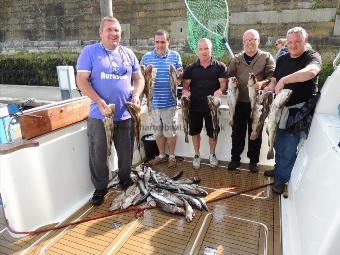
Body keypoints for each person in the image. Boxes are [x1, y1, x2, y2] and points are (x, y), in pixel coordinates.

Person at [76, 16, 144, 206]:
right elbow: (81, 80)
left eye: (117, 31)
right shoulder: (90, 52)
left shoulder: (128, 54)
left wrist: (137, 96)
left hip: (125, 114)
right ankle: (100, 188)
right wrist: (98, 101)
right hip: (100, 115)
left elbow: (139, 79)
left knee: (125, 153)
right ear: (101, 32)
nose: (114, 34)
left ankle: (124, 179)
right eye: (110, 30)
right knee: (99, 154)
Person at [265, 27, 321, 194]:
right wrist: (269, 88)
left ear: (305, 40)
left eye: (297, 41)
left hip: (298, 112)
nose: (293, 45)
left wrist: (285, 79)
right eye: (290, 42)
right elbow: (274, 80)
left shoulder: (312, 57)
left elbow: (311, 72)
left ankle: (282, 179)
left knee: (289, 146)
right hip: (279, 108)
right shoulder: (282, 58)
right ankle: (278, 169)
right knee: (275, 141)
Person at [227, 29, 275, 172]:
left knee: (256, 132)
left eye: (252, 40)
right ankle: (235, 158)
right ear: (243, 43)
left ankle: (253, 161)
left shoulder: (266, 57)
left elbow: (272, 77)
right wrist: (231, 79)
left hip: (258, 104)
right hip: (239, 102)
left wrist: (262, 84)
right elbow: (229, 74)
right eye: (246, 40)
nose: (249, 43)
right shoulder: (236, 59)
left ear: (258, 41)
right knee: (237, 132)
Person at [182, 38, 227, 169]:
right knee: (195, 132)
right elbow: (185, 87)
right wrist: (185, 93)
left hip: (212, 107)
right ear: (197, 51)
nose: (203, 52)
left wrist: (220, 90)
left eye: (206, 48)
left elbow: (223, 85)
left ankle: (212, 155)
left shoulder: (220, 66)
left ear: (211, 49)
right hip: (194, 106)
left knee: (213, 132)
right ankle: (197, 155)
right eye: (201, 49)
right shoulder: (191, 68)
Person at [141, 29, 182, 168]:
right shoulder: (146, 57)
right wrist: (144, 73)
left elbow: (180, 73)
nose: (160, 45)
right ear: (154, 42)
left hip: (170, 101)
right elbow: (141, 79)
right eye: (157, 42)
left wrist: (179, 75)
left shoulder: (175, 56)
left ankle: (172, 156)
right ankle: (161, 155)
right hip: (153, 103)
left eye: (163, 42)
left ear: (168, 42)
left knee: (170, 131)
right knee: (157, 132)